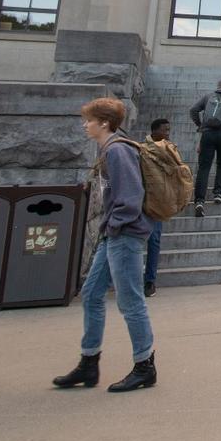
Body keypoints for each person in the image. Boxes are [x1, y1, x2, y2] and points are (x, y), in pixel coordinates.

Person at [54, 97, 157, 393]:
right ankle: (89, 361)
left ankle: (144, 364)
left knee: (130, 300)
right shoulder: (109, 149)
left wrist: (114, 224)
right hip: (114, 233)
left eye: (89, 120)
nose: (85, 125)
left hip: (124, 234)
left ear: (104, 123)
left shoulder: (117, 151)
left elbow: (130, 197)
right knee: (91, 293)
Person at [190, 79, 221, 217]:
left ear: (217, 86)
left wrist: (200, 124)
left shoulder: (208, 97)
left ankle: (200, 200)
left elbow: (193, 110)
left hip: (207, 133)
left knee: (204, 167)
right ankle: (218, 193)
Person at [143, 118, 174, 297]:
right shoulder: (142, 149)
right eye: (165, 130)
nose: (167, 133)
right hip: (141, 202)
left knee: (154, 241)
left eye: (169, 130)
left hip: (158, 203)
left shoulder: (170, 149)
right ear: (154, 132)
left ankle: (150, 281)